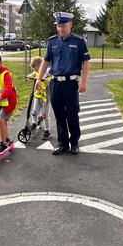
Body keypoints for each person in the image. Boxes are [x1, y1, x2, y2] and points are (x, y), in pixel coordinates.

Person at [35, 12, 91, 155]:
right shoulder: (52, 41)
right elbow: (45, 61)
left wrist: (84, 81)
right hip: (55, 84)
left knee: (72, 114)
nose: (61, 28)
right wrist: (39, 79)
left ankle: (74, 143)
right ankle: (62, 144)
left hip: (71, 84)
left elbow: (86, 62)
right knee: (59, 115)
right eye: (58, 26)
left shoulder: (79, 42)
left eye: (63, 25)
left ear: (70, 25)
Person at [29, 56, 51, 140]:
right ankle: (34, 123)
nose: (36, 71)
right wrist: (30, 76)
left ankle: (47, 130)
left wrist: (45, 79)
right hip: (37, 96)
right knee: (34, 112)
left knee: (45, 115)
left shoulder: (48, 71)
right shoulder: (36, 72)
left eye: (36, 69)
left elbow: (51, 78)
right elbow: (33, 74)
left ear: (41, 65)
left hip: (46, 97)